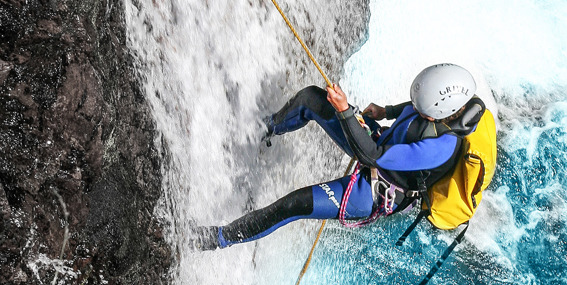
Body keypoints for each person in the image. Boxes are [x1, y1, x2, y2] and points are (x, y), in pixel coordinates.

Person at [195, 64, 482, 248]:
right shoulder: (444, 106)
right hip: (380, 144)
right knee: (310, 99)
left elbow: (372, 156)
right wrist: (387, 111)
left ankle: (216, 238)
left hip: (372, 190)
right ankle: (262, 130)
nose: (418, 109)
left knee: (292, 205)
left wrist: (345, 111)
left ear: (443, 112)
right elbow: (415, 108)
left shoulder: (440, 147)